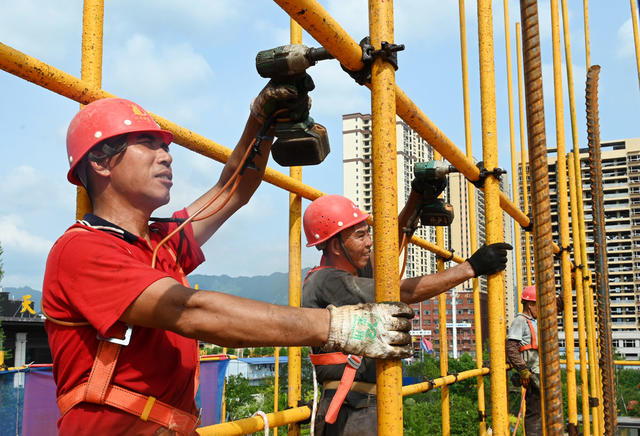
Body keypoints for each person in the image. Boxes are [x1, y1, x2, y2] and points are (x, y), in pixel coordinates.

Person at [42, 93, 415, 436]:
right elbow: (189, 310)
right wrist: (341, 325)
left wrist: (261, 122)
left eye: (165, 146)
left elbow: (232, 189)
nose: (167, 155)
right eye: (148, 143)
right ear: (100, 160)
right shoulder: (82, 249)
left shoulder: (162, 243)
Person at [301, 193, 512, 436]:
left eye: (367, 232)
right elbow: (399, 291)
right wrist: (471, 268)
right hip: (350, 409)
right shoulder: (325, 280)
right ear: (336, 245)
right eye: (360, 235)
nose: (369, 242)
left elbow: (387, 248)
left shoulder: (353, 273)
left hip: (364, 404)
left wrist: (416, 198)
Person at [506, 285, 541, 435]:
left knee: (544, 410)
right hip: (533, 374)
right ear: (530, 304)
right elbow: (511, 348)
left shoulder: (535, 321)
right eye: (538, 305)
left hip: (541, 373)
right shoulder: (520, 321)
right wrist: (523, 370)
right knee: (535, 414)